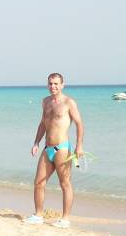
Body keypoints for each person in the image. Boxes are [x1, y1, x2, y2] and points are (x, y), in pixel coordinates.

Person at [24, 73, 84, 228]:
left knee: (65, 183)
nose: (53, 86)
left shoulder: (69, 102)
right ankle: (38, 215)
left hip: (62, 148)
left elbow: (79, 124)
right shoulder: (45, 101)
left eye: (56, 84)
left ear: (62, 85)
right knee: (39, 182)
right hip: (47, 148)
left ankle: (65, 219)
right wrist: (36, 142)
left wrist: (79, 146)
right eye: (50, 83)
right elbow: (43, 124)